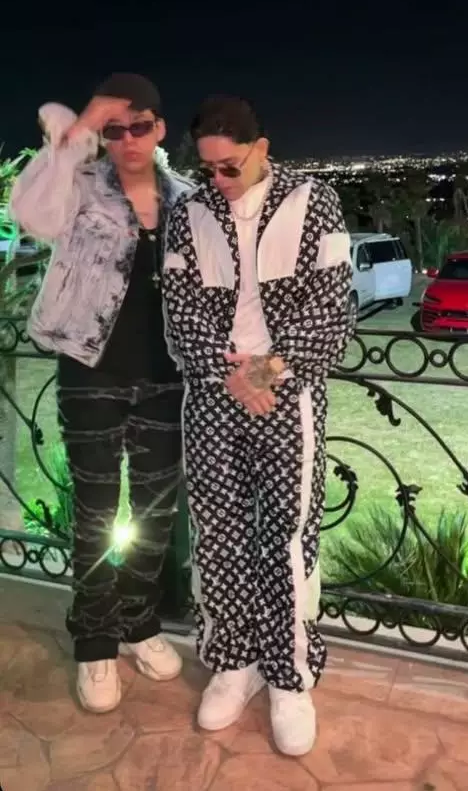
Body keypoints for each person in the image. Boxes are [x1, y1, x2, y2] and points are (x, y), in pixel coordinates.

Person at [162, 95, 354, 757]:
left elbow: (332, 311)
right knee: (217, 531)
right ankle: (232, 661)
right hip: (215, 394)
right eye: (207, 168)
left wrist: (267, 373)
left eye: (230, 167)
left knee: (288, 534)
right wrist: (234, 379)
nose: (218, 180)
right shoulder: (189, 213)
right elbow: (181, 313)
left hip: (288, 394)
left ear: (262, 149)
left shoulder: (313, 201)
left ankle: (289, 675)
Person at [10, 74, 191, 714]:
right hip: (91, 372)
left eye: (140, 126)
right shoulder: (80, 185)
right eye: (115, 130)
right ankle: (94, 640)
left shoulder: (187, 200)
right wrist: (80, 128)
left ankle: (139, 623)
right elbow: (31, 215)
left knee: (154, 515)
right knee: (94, 512)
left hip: (168, 378)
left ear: (160, 128)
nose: (128, 140)